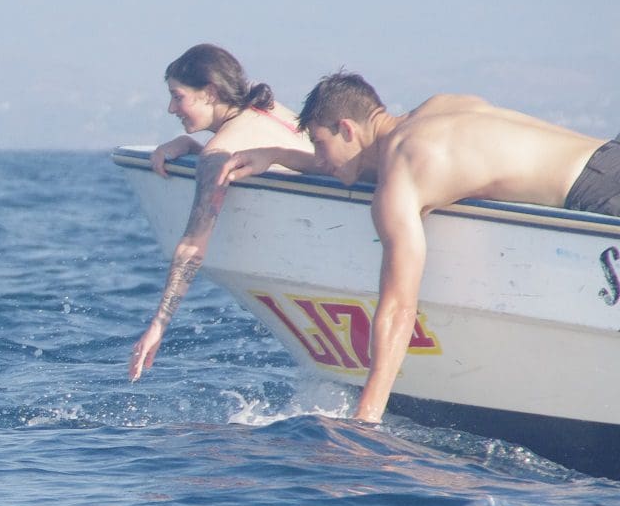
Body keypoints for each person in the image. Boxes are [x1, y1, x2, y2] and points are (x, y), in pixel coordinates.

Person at [219, 70, 616, 423]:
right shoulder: (435, 111)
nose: (319, 160)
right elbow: (374, 164)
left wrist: (366, 420)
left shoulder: (401, 173)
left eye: (319, 144)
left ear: (346, 128)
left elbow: (398, 309)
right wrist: (275, 155)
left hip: (597, 195)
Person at [128, 44, 313, 382]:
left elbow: (192, 246)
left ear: (210, 92)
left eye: (177, 96)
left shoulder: (218, 153)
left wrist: (158, 326)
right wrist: (190, 148)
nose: (171, 108)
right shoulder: (268, 109)